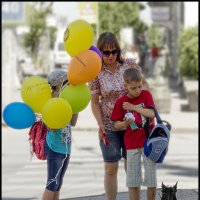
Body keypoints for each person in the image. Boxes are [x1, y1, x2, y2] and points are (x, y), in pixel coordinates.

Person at [88, 32, 149, 200]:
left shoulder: (129, 65)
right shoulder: (95, 72)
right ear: (100, 53)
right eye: (106, 53)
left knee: (132, 167)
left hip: (132, 125)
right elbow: (94, 102)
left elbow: (143, 86)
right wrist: (100, 124)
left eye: (114, 51)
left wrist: (145, 108)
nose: (111, 56)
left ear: (118, 50)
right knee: (110, 168)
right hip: (109, 126)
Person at [111, 68, 157, 200]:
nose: (137, 90)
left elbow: (152, 114)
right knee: (133, 182)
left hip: (149, 142)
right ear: (125, 86)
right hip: (131, 144)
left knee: (151, 180)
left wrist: (134, 107)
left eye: (139, 86)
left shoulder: (146, 95)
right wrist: (125, 124)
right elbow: (116, 124)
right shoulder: (120, 102)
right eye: (133, 88)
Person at [42, 70, 78, 200]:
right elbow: (52, 127)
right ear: (59, 84)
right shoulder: (52, 101)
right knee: (52, 183)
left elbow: (73, 123)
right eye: (67, 82)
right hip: (54, 146)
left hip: (65, 146)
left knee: (58, 184)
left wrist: (75, 106)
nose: (69, 85)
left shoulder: (67, 100)